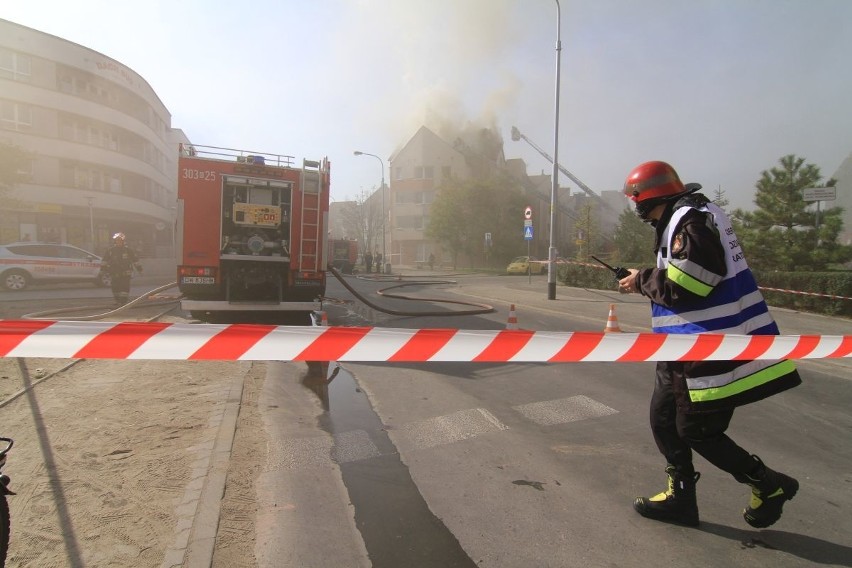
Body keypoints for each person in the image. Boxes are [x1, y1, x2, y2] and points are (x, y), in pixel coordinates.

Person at [617, 160, 801, 528]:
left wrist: (642, 280)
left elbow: (694, 281)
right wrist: (647, 278)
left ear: (643, 198)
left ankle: (768, 485)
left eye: (633, 198)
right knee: (664, 420)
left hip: (712, 349)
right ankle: (680, 499)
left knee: (698, 432)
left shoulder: (689, 220)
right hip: (682, 350)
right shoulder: (689, 215)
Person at [101, 232, 142, 305]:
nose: (118, 242)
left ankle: (123, 302)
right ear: (115, 241)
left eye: (120, 240)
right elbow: (104, 260)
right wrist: (103, 270)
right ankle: (117, 301)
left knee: (124, 288)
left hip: (126, 273)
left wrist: (140, 269)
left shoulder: (128, 250)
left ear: (123, 241)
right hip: (114, 272)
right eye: (117, 240)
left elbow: (135, 260)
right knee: (115, 288)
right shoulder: (110, 250)